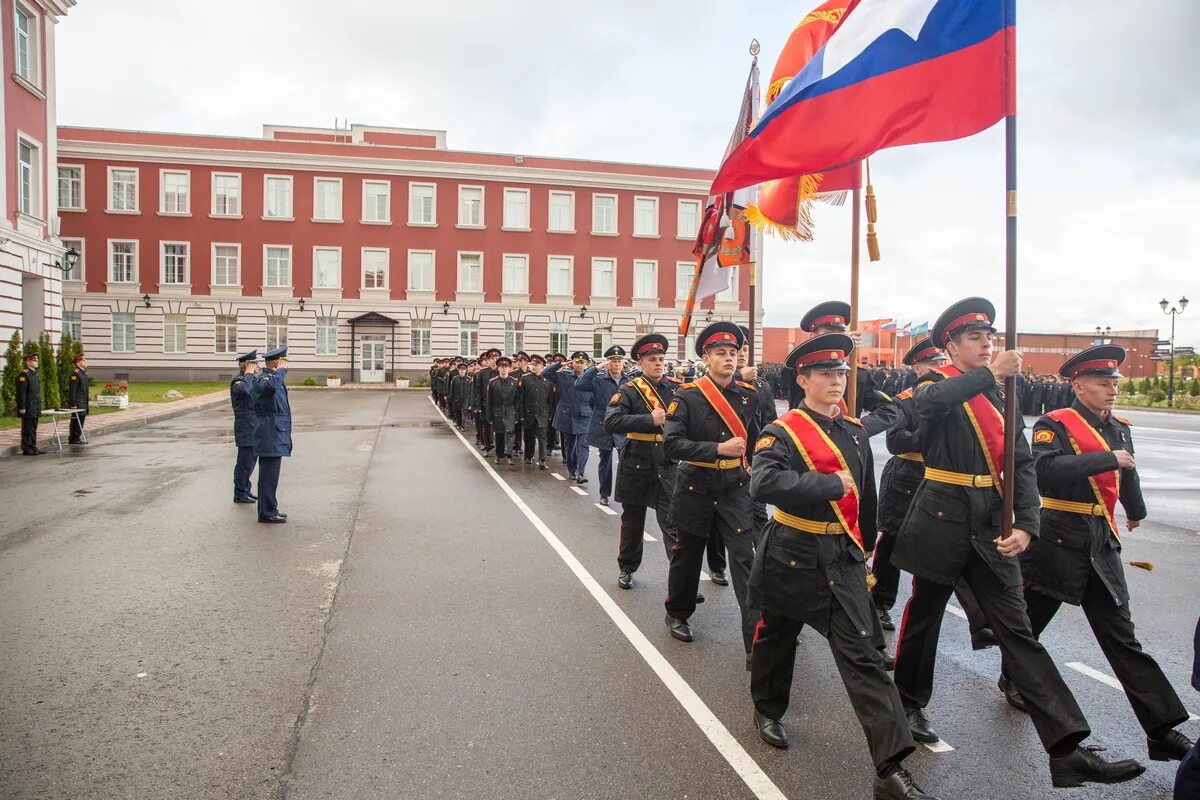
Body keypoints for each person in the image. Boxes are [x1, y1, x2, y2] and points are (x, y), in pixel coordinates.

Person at [889, 297, 1143, 788]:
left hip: (990, 525)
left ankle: (1066, 748)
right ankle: (909, 703)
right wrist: (991, 376)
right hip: (941, 516)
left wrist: (1027, 523)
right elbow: (928, 408)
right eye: (975, 339)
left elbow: (1022, 464)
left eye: (990, 338)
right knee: (924, 616)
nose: (986, 345)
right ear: (951, 346)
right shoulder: (936, 384)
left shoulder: (1002, 396)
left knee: (1019, 631)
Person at [748, 333, 939, 800]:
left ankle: (890, 767)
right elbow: (763, 483)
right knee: (777, 637)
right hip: (792, 552)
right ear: (804, 379)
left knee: (865, 658)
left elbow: (865, 493)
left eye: (841, 374)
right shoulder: (784, 430)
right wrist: (822, 486)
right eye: (826, 374)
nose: (836, 382)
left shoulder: (853, 430)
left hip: (842, 559)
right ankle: (768, 709)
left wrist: (866, 542)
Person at [997, 345, 1194, 762]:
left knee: (1123, 639)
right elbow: (1044, 473)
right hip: (1058, 540)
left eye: (1114, 383)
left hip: (1099, 540)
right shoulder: (1055, 424)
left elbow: (1127, 470)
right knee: (1030, 621)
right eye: (1103, 384)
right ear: (1079, 385)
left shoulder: (1119, 426)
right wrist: (1104, 458)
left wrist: (1136, 510)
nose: (1112, 390)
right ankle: (1013, 675)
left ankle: (1161, 729)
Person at [872, 338, 996, 649]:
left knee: (950, 555)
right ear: (916, 368)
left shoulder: (963, 392)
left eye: (941, 362)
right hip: (908, 477)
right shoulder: (910, 397)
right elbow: (896, 442)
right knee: (893, 540)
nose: (939, 368)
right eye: (931, 364)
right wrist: (930, 438)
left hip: (943, 483)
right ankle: (881, 601)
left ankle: (980, 620)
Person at [663, 322, 760, 664]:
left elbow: (759, 440)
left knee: (745, 560)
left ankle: (757, 639)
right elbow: (672, 445)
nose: (729, 359)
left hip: (734, 487)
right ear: (705, 357)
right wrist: (718, 448)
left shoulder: (749, 396)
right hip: (696, 486)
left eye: (733, 353)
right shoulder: (687, 396)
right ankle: (677, 611)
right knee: (688, 556)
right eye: (721, 353)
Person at [604, 333, 681, 589]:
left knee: (672, 523)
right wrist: (649, 420)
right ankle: (626, 567)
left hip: (666, 464)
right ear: (640, 362)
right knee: (633, 522)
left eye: (661, 359)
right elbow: (611, 422)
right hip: (636, 462)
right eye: (652, 359)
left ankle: (680, 582)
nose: (658, 363)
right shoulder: (629, 390)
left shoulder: (676, 389)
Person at [576, 345, 628, 504]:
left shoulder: (629, 381)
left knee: (625, 463)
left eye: (619, 361)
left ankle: (625, 494)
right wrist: (595, 368)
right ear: (608, 363)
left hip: (623, 427)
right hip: (604, 426)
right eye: (613, 361)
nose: (617, 364)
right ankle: (604, 494)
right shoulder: (599, 380)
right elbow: (579, 385)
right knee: (605, 462)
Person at [252, 345, 292, 524]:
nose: (286, 365)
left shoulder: (272, 378)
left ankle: (270, 508)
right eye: (283, 361)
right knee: (268, 475)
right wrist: (281, 372)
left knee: (271, 475)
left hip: (274, 432)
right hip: (269, 433)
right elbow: (270, 387)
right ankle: (266, 512)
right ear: (277, 362)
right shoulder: (264, 378)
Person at [545, 352, 593, 482]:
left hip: (584, 415)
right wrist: (560, 364)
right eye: (577, 362)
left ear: (587, 364)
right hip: (567, 415)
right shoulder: (564, 376)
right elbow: (546, 373)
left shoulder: (591, 378)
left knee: (583, 445)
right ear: (572, 363)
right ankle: (572, 469)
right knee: (570, 445)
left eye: (582, 362)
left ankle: (581, 472)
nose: (579, 365)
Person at [230, 350, 259, 504]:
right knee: (244, 462)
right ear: (247, 366)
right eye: (255, 364)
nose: (258, 366)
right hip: (245, 427)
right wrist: (248, 374)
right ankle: (239, 492)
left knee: (251, 461)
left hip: (253, 426)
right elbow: (245, 391)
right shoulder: (240, 381)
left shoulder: (250, 379)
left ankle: (246, 489)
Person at [518, 355, 553, 468]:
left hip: (542, 414)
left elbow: (550, 399)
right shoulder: (525, 378)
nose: (533, 367)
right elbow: (521, 398)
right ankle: (528, 456)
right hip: (529, 413)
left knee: (542, 438)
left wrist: (550, 414)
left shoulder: (548, 380)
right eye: (532, 364)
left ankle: (542, 460)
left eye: (536, 365)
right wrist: (521, 414)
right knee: (529, 437)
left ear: (542, 367)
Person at [487, 356, 521, 466]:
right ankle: (498, 455)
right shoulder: (492, 382)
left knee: (510, 432)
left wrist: (517, 415)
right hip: (497, 411)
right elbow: (489, 401)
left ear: (510, 368)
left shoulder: (514, 382)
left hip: (510, 411)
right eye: (501, 367)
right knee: (499, 434)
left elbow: (517, 400)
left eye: (506, 367)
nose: (504, 369)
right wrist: (489, 416)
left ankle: (509, 455)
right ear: (498, 368)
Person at [15, 350, 42, 455]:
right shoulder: (23, 375)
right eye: (34, 360)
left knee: (33, 427)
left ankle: (33, 446)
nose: (37, 362)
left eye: (37, 360)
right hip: (27, 406)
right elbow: (21, 393)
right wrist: (22, 407)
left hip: (35, 406)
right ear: (28, 362)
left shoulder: (34, 374)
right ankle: (26, 448)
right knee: (27, 428)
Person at [66, 353, 90, 445]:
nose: (85, 361)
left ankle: (76, 437)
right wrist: (73, 404)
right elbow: (72, 390)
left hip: (83, 401)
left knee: (81, 419)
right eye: (83, 360)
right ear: (78, 363)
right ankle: (73, 438)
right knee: (76, 420)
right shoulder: (75, 374)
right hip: (78, 402)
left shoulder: (83, 373)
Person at [449, 360, 472, 430]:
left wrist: (471, 400)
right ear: (458, 370)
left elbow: (471, 391)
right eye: (461, 369)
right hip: (457, 399)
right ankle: (459, 424)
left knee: (464, 412)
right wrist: (451, 398)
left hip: (466, 399)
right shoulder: (455, 379)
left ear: (466, 370)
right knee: (457, 413)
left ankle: (463, 426)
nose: (462, 371)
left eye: (464, 369)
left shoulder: (469, 379)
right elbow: (451, 389)